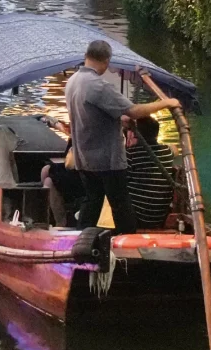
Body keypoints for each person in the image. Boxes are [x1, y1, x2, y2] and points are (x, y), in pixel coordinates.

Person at [64, 39, 179, 234]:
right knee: (120, 204)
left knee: (92, 201)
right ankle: (127, 241)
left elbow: (94, 112)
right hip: (107, 159)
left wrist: (119, 119)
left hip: (85, 156)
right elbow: (134, 111)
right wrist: (166, 103)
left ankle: (81, 239)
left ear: (86, 57)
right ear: (107, 61)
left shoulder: (72, 81)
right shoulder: (99, 85)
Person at [125, 116, 176, 229]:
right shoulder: (167, 151)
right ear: (156, 133)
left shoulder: (131, 154)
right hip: (160, 215)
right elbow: (174, 149)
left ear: (136, 134)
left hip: (138, 217)